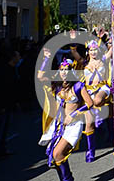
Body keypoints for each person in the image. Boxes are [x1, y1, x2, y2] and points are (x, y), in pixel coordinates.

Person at [38, 52, 92, 181]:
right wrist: (46, 58)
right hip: (59, 125)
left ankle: (68, 179)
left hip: (74, 125)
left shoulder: (78, 86)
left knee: (58, 154)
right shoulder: (57, 86)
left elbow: (90, 103)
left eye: (66, 70)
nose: (63, 72)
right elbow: (40, 76)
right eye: (61, 70)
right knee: (55, 156)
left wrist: (73, 115)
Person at [81, 39, 112, 162]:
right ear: (88, 52)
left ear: (98, 50)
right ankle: (90, 152)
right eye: (91, 50)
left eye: (95, 49)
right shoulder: (83, 63)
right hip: (89, 91)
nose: (93, 52)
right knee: (89, 124)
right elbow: (74, 54)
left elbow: (112, 49)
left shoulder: (104, 59)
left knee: (98, 100)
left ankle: (100, 118)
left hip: (102, 88)